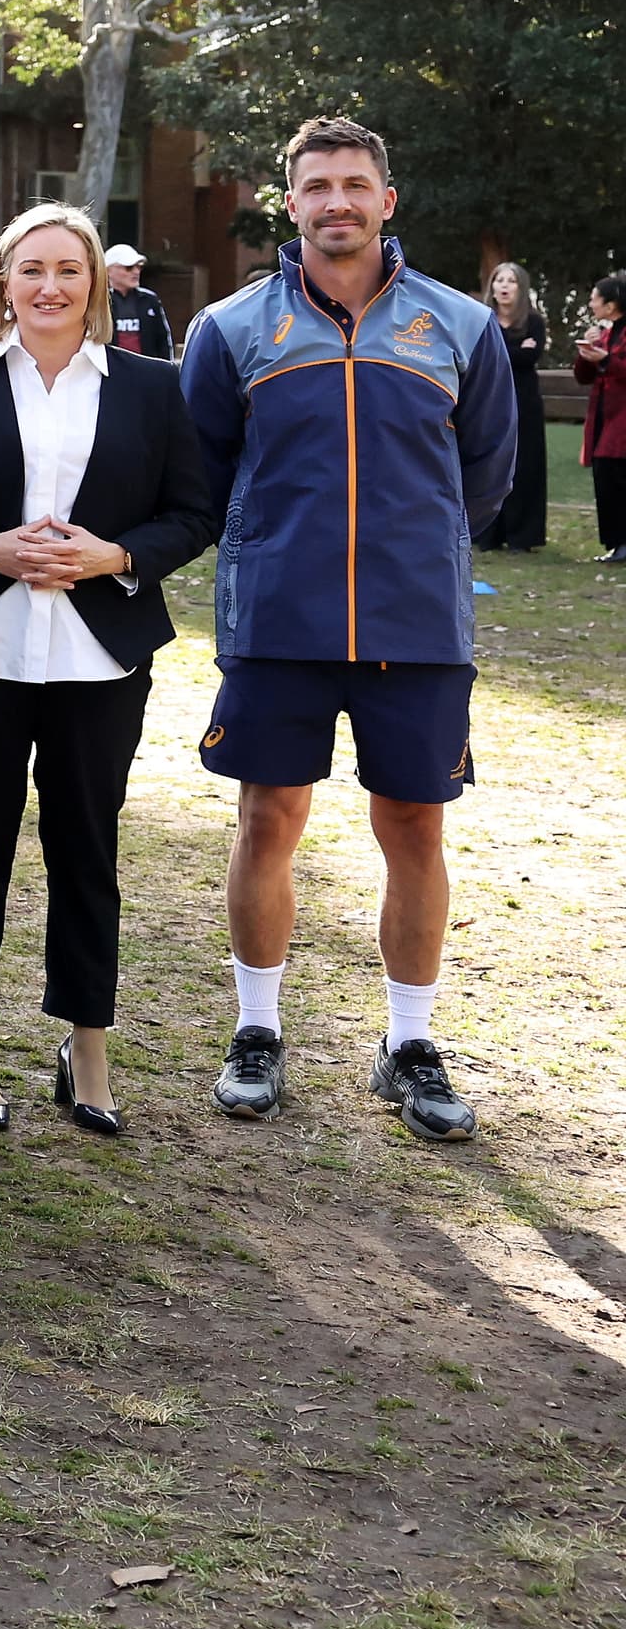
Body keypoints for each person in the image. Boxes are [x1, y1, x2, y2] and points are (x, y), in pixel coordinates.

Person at [185, 117, 515, 1143]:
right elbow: (205, 471)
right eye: (318, 184)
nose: (338, 200)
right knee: (267, 818)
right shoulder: (233, 328)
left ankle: (409, 1043)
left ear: (387, 199)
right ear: (291, 203)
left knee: (414, 826)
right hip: (279, 619)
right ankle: (257, 1030)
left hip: (417, 626)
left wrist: (407, 554)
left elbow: (486, 480)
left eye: (355, 183)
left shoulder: (460, 326)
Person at [0, 203, 217, 1139]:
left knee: (87, 849)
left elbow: (194, 513)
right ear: (4, 282)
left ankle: (88, 1043)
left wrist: (110, 557)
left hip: (100, 658)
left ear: (97, 284)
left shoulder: (153, 388)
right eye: (30, 269)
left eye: (68, 271)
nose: (49, 287)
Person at [476, 262, 549, 552]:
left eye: (512, 281)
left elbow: (528, 360)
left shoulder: (534, 321)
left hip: (525, 403)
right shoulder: (482, 319)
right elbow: (482, 356)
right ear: (491, 286)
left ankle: (523, 536)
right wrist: (516, 349)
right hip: (489, 400)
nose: (504, 286)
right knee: (490, 464)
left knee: (526, 466)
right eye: (499, 280)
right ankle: (489, 534)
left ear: (521, 288)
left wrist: (504, 349)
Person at [582, 276, 626, 565]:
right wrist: (587, 353)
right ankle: (615, 543)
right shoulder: (606, 334)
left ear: (610, 305)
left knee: (618, 477)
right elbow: (584, 377)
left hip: (621, 420)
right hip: (603, 417)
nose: (591, 303)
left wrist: (605, 359)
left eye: (595, 298)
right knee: (604, 478)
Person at [101, 244, 174, 360]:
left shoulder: (150, 300)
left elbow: (163, 339)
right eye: (129, 267)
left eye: (139, 267)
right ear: (109, 270)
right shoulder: (99, 301)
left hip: (146, 370)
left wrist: (168, 370)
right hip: (113, 371)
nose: (136, 272)